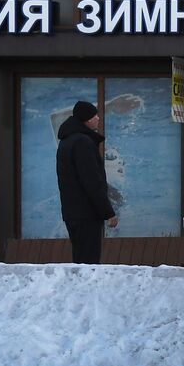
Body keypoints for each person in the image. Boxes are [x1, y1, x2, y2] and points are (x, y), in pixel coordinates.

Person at [55, 100, 117, 264]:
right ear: (87, 119)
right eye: (95, 115)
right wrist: (108, 212)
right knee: (88, 263)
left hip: (73, 212)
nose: (98, 118)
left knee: (80, 259)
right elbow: (91, 181)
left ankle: (78, 288)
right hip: (86, 213)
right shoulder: (82, 142)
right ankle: (83, 290)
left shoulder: (66, 142)